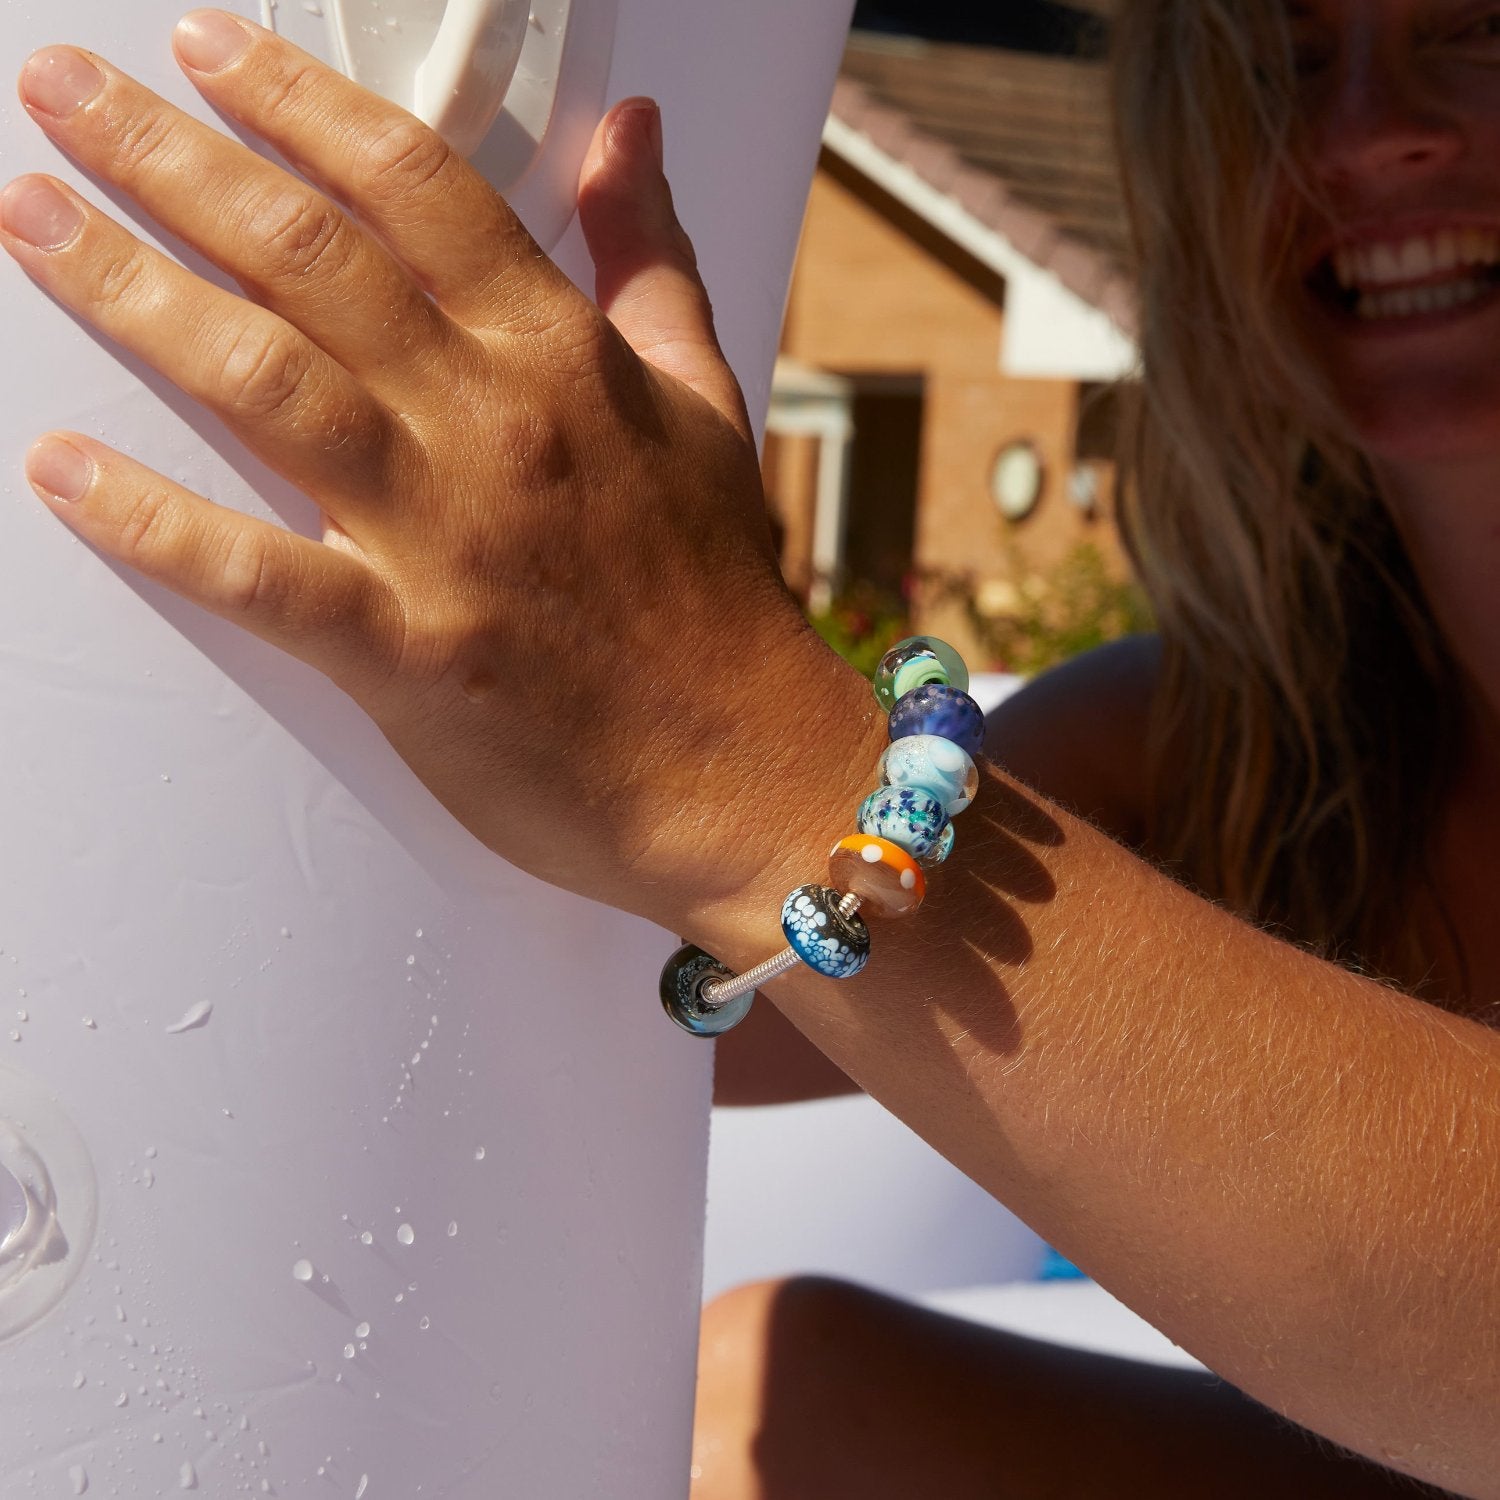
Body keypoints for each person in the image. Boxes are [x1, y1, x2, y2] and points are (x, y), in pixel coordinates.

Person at [0, 2, 1494, 1495]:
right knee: (790, 1403)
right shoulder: (1234, 751)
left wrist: (730, 735)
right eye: (1286, 64)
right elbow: (660, 1005)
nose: (1368, 129)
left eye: (1484, 33)